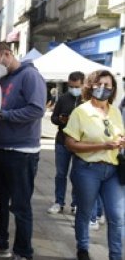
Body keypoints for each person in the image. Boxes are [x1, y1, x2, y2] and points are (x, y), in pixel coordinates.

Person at [0, 42, 46, 260]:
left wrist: (4, 115)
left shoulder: (30, 76)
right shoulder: (2, 80)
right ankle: (1, 242)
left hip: (22, 152)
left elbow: (36, 109)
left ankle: (23, 254)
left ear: (7, 54)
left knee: (20, 206)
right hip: (0, 148)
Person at [63, 70, 125, 260]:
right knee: (86, 212)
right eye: (100, 84)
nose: (104, 89)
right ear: (90, 86)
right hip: (88, 169)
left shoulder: (115, 112)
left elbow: (119, 133)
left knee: (117, 216)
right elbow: (70, 144)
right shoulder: (81, 111)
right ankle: (83, 249)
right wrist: (103, 145)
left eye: (108, 86)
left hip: (113, 170)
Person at [48, 71, 84, 214]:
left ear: (82, 84)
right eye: (71, 86)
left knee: (77, 174)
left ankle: (75, 203)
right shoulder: (63, 99)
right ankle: (59, 202)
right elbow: (53, 117)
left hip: (79, 143)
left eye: (76, 86)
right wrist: (61, 120)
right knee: (60, 174)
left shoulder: (86, 100)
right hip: (62, 140)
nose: (73, 89)